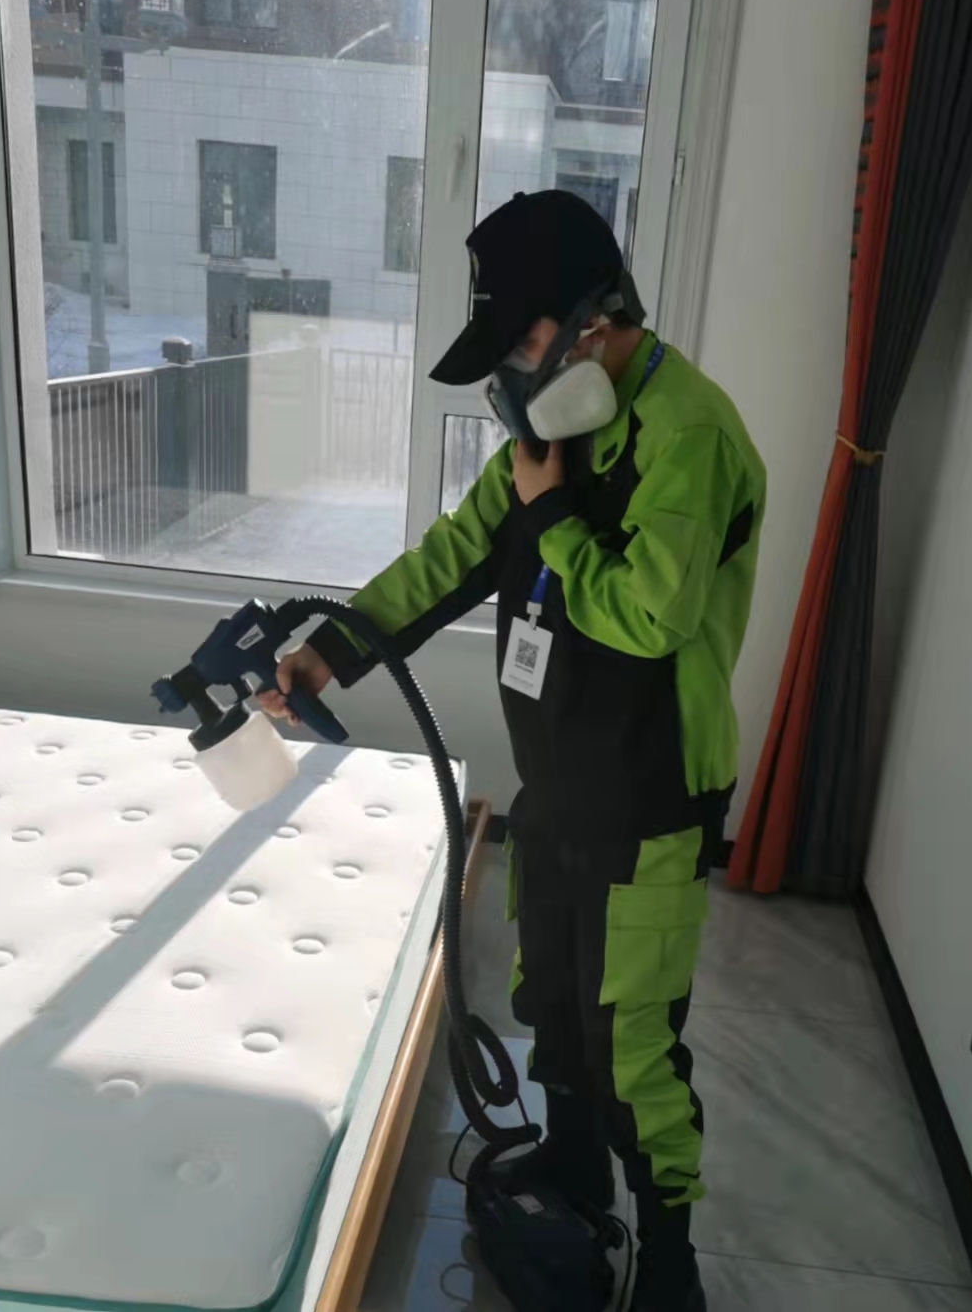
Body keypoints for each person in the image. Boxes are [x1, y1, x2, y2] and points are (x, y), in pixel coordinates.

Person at [260, 190, 766, 1310]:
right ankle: (575, 1165)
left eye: (521, 343)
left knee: (631, 1041)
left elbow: (650, 616)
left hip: (650, 795)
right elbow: (451, 558)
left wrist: (549, 522)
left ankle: (671, 1262)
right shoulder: (554, 438)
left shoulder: (689, 435)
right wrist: (329, 653)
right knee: (555, 1003)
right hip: (557, 780)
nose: (510, 375)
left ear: (595, 319)